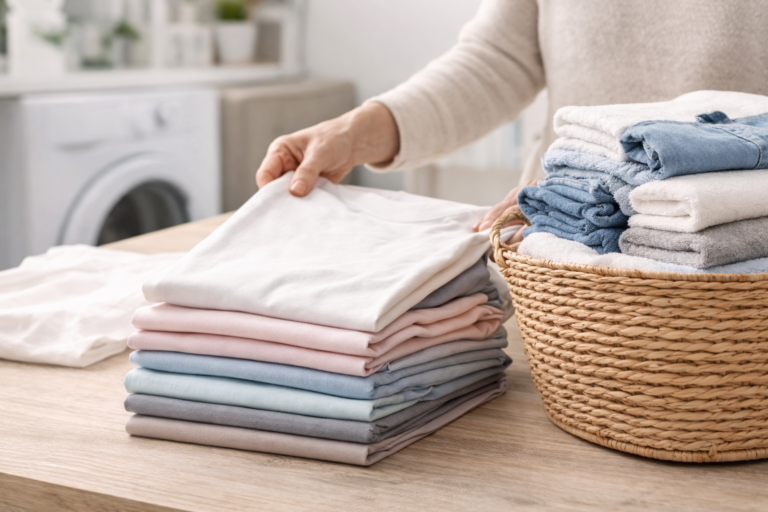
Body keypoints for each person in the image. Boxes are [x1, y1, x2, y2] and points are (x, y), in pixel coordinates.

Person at [256, 0, 768, 243]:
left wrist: (596, 180)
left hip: (732, 259)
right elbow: (497, 59)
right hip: (558, 248)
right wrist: (357, 131)